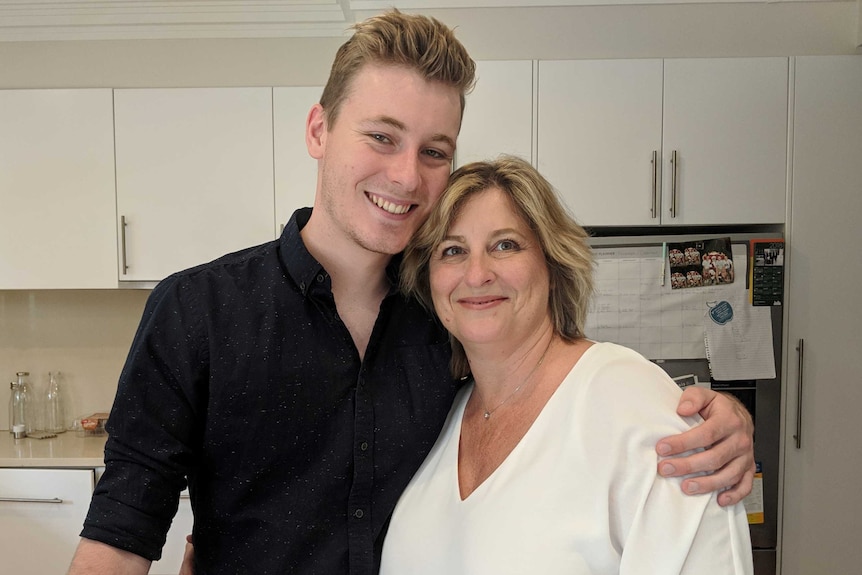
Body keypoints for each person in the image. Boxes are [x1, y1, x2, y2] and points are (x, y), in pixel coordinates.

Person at [67, 10, 754, 575]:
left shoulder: (448, 321)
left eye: (433, 150)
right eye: (382, 137)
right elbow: (119, 538)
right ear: (319, 130)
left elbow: (562, 399)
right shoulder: (198, 312)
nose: (406, 176)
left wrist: (715, 413)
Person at [382, 156, 754, 574]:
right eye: (452, 250)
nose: (477, 273)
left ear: (553, 266)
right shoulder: (435, 412)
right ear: (429, 280)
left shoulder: (631, 402)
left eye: (505, 245)